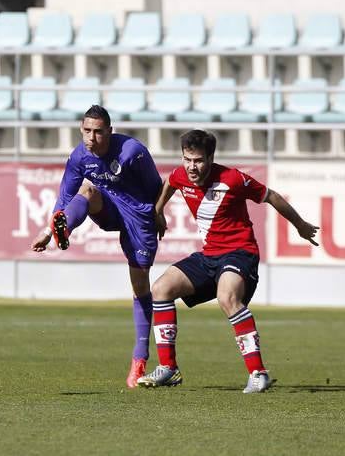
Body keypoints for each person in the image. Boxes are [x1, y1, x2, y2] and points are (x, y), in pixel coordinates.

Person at [137, 129, 319, 393]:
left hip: (240, 253)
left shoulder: (232, 179)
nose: (191, 166)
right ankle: (169, 368)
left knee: (227, 298)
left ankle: (258, 373)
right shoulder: (180, 175)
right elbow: (170, 183)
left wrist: (300, 225)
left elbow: (272, 196)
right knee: (161, 289)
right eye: (187, 159)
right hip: (209, 255)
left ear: (211, 158)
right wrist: (158, 211)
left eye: (198, 160)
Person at [32, 105, 163, 388]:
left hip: (139, 217)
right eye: (87, 131)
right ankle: (65, 229)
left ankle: (139, 358)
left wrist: (159, 215)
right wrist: (48, 230)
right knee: (85, 191)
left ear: (109, 132)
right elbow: (64, 196)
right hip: (108, 208)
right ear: (81, 130)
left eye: (98, 132)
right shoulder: (80, 156)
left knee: (140, 287)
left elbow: (156, 188)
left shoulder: (132, 151)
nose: (92, 137)